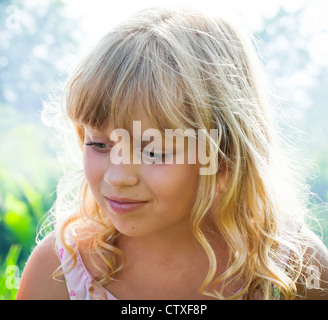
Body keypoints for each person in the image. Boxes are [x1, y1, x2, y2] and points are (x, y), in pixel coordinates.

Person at [17, 6, 328, 300]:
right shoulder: (59, 273)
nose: (118, 176)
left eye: (154, 152)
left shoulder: (292, 264)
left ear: (222, 153)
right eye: (99, 144)